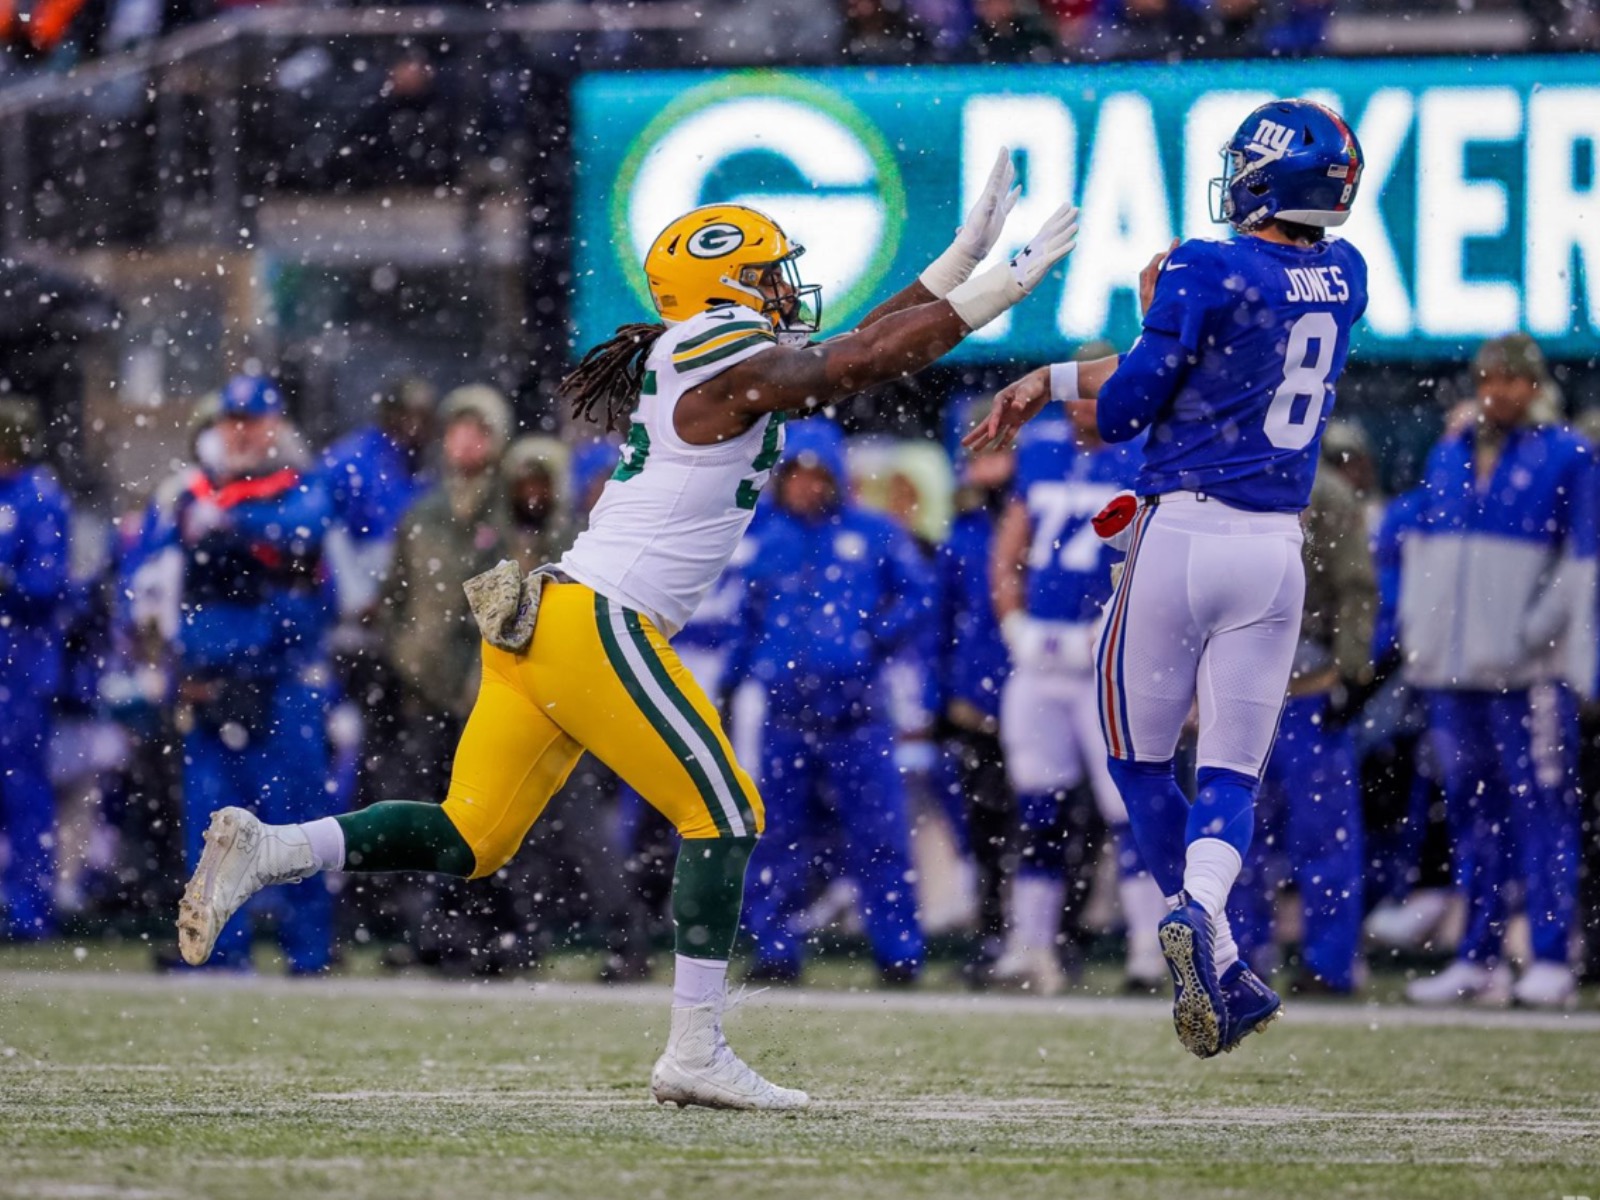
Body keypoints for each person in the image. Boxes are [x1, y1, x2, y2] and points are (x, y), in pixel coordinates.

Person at [178, 154, 1082, 1107]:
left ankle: (272, 849)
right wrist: (1000, 290)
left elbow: (853, 346)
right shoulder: (720, 352)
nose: (785, 289)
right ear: (727, 287)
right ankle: (695, 1051)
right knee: (726, 813)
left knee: (468, 838)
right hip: (599, 620)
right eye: (768, 272)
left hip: (553, 622)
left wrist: (958, 260)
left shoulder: (705, 351)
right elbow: (858, 359)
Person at [967, 99, 1368, 1057]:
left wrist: (1151, 313)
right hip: (1275, 550)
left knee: (1141, 763)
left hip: (1179, 533)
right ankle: (1216, 945)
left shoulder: (1205, 264)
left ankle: (1195, 931)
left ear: (1271, 178)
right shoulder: (1343, 274)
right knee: (1231, 766)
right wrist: (1051, 379)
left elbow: (1137, 403)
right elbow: (1203, 363)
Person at [1401, 334, 1596, 1009]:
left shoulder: (1567, 453)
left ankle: (1549, 955)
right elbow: (1427, 547)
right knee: (1474, 815)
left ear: (1535, 384)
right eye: (1492, 378)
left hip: (1528, 674)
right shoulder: (1451, 450)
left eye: (1514, 380)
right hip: (1458, 672)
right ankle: (1479, 956)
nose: (1502, 391)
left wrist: (1530, 635)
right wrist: (1422, 634)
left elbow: (1582, 562)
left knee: (1542, 810)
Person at [725, 419, 933, 986]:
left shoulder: (875, 533)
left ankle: (898, 952)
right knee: (777, 837)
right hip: (785, 717)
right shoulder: (766, 539)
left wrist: (872, 638)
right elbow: (746, 621)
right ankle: (775, 948)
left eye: (818, 476)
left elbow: (919, 596)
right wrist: (730, 681)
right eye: (797, 475)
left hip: (857, 716)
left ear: (836, 478)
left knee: (879, 835)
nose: (807, 487)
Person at [988, 394, 1167, 996]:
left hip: (1108, 656)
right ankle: (1031, 947)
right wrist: (1012, 618)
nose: (1080, 414)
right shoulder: (1042, 452)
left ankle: (1149, 947)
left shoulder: (1143, 456)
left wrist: (1118, 622)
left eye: (1094, 398)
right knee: (1039, 809)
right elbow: (1010, 547)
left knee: (1129, 811)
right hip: (1042, 657)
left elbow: (1156, 555)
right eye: (1076, 400)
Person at [168, 374, 339, 973]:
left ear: (275, 426)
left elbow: (302, 534)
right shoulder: (192, 492)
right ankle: (218, 952)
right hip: (213, 679)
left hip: (281, 680)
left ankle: (309, 950)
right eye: (232, 419)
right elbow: (160, 581)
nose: (241, 432)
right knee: (214, 828)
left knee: (296, 822)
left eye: (253, 420)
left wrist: (231, 528)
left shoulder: (300, 485)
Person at [1230, 461, 1375, 995]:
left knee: (1321, 836)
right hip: (1239, 687)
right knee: (1234, 837)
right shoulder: (1222, 478)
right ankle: (1237, 958)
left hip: (1304, 688)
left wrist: (1352, 671)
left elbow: (1356, 588)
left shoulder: (1328, 494)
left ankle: (1329, 963)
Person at [937, 436, 1016, 982]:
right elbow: (940, 624)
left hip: (1040, 688)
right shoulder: (964, 537)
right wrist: (938, 696)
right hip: (979, 703)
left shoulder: (1049, 520)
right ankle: (992, 932)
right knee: (984, 828)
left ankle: (1055, 934)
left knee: (1056, 821)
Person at [0, 396, 72, 940]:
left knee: (22, 791)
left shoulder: (39, 497)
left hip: (19, 667)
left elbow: (46, 587)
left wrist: (8, 581)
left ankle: (28, 911)